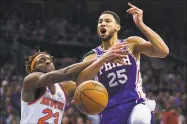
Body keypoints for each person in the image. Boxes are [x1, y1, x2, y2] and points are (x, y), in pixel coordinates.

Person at [75, 3, 169, 124]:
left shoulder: (131, 44)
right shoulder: (91, 56)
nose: (102, 23)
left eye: (108, 21)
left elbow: (163, 52)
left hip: (134, 103)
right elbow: (79, 83)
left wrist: (141, 25)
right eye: (100, 22)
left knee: (140, 119)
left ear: (117, 27)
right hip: (109, 111)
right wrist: (103, 59)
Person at [20, 48, 128, 124]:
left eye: (50, 60)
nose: (48, 61)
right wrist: (102, 58)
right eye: (42, 61)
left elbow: (85, 84)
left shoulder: (65, 87)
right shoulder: (31, 80)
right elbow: (65, 73)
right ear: (33, 69)